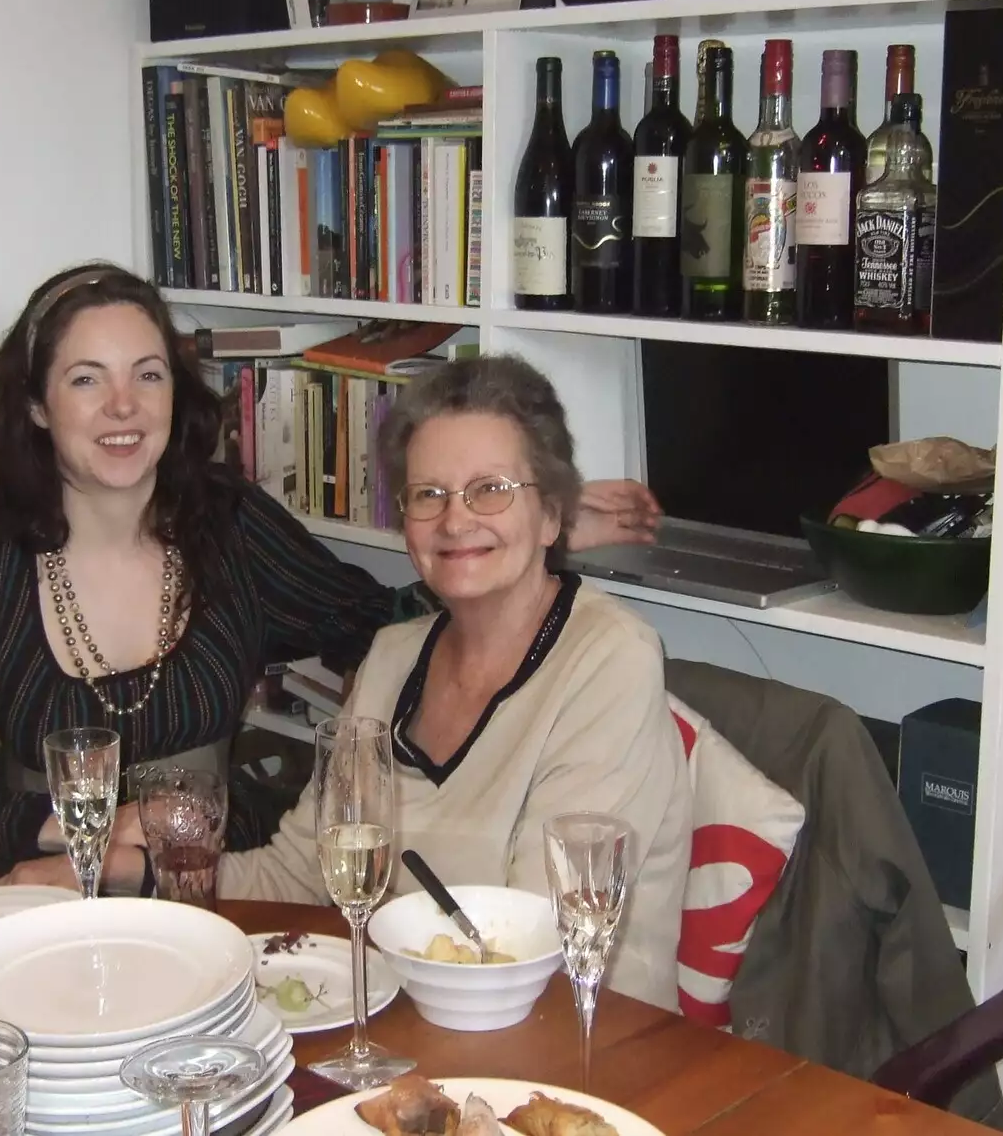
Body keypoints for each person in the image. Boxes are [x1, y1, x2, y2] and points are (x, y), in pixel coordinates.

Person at [0, 263, 659, 943]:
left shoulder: (228, 526)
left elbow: (383, 628)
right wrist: (65, 827)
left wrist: (526, 528)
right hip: (40, 880)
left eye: (148, 374)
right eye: (86, 379)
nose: (123, 406)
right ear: (34, 406)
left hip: (206, 877)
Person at [220, 354, 691, 1011]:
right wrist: (151, 874)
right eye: (428, 493)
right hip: (406, 1023)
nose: (455, 519)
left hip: (580, 1049)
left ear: (552, 515)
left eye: (491, 488)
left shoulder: (610, 659)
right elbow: (298, 872)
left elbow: (533, 942)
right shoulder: (390, 659)